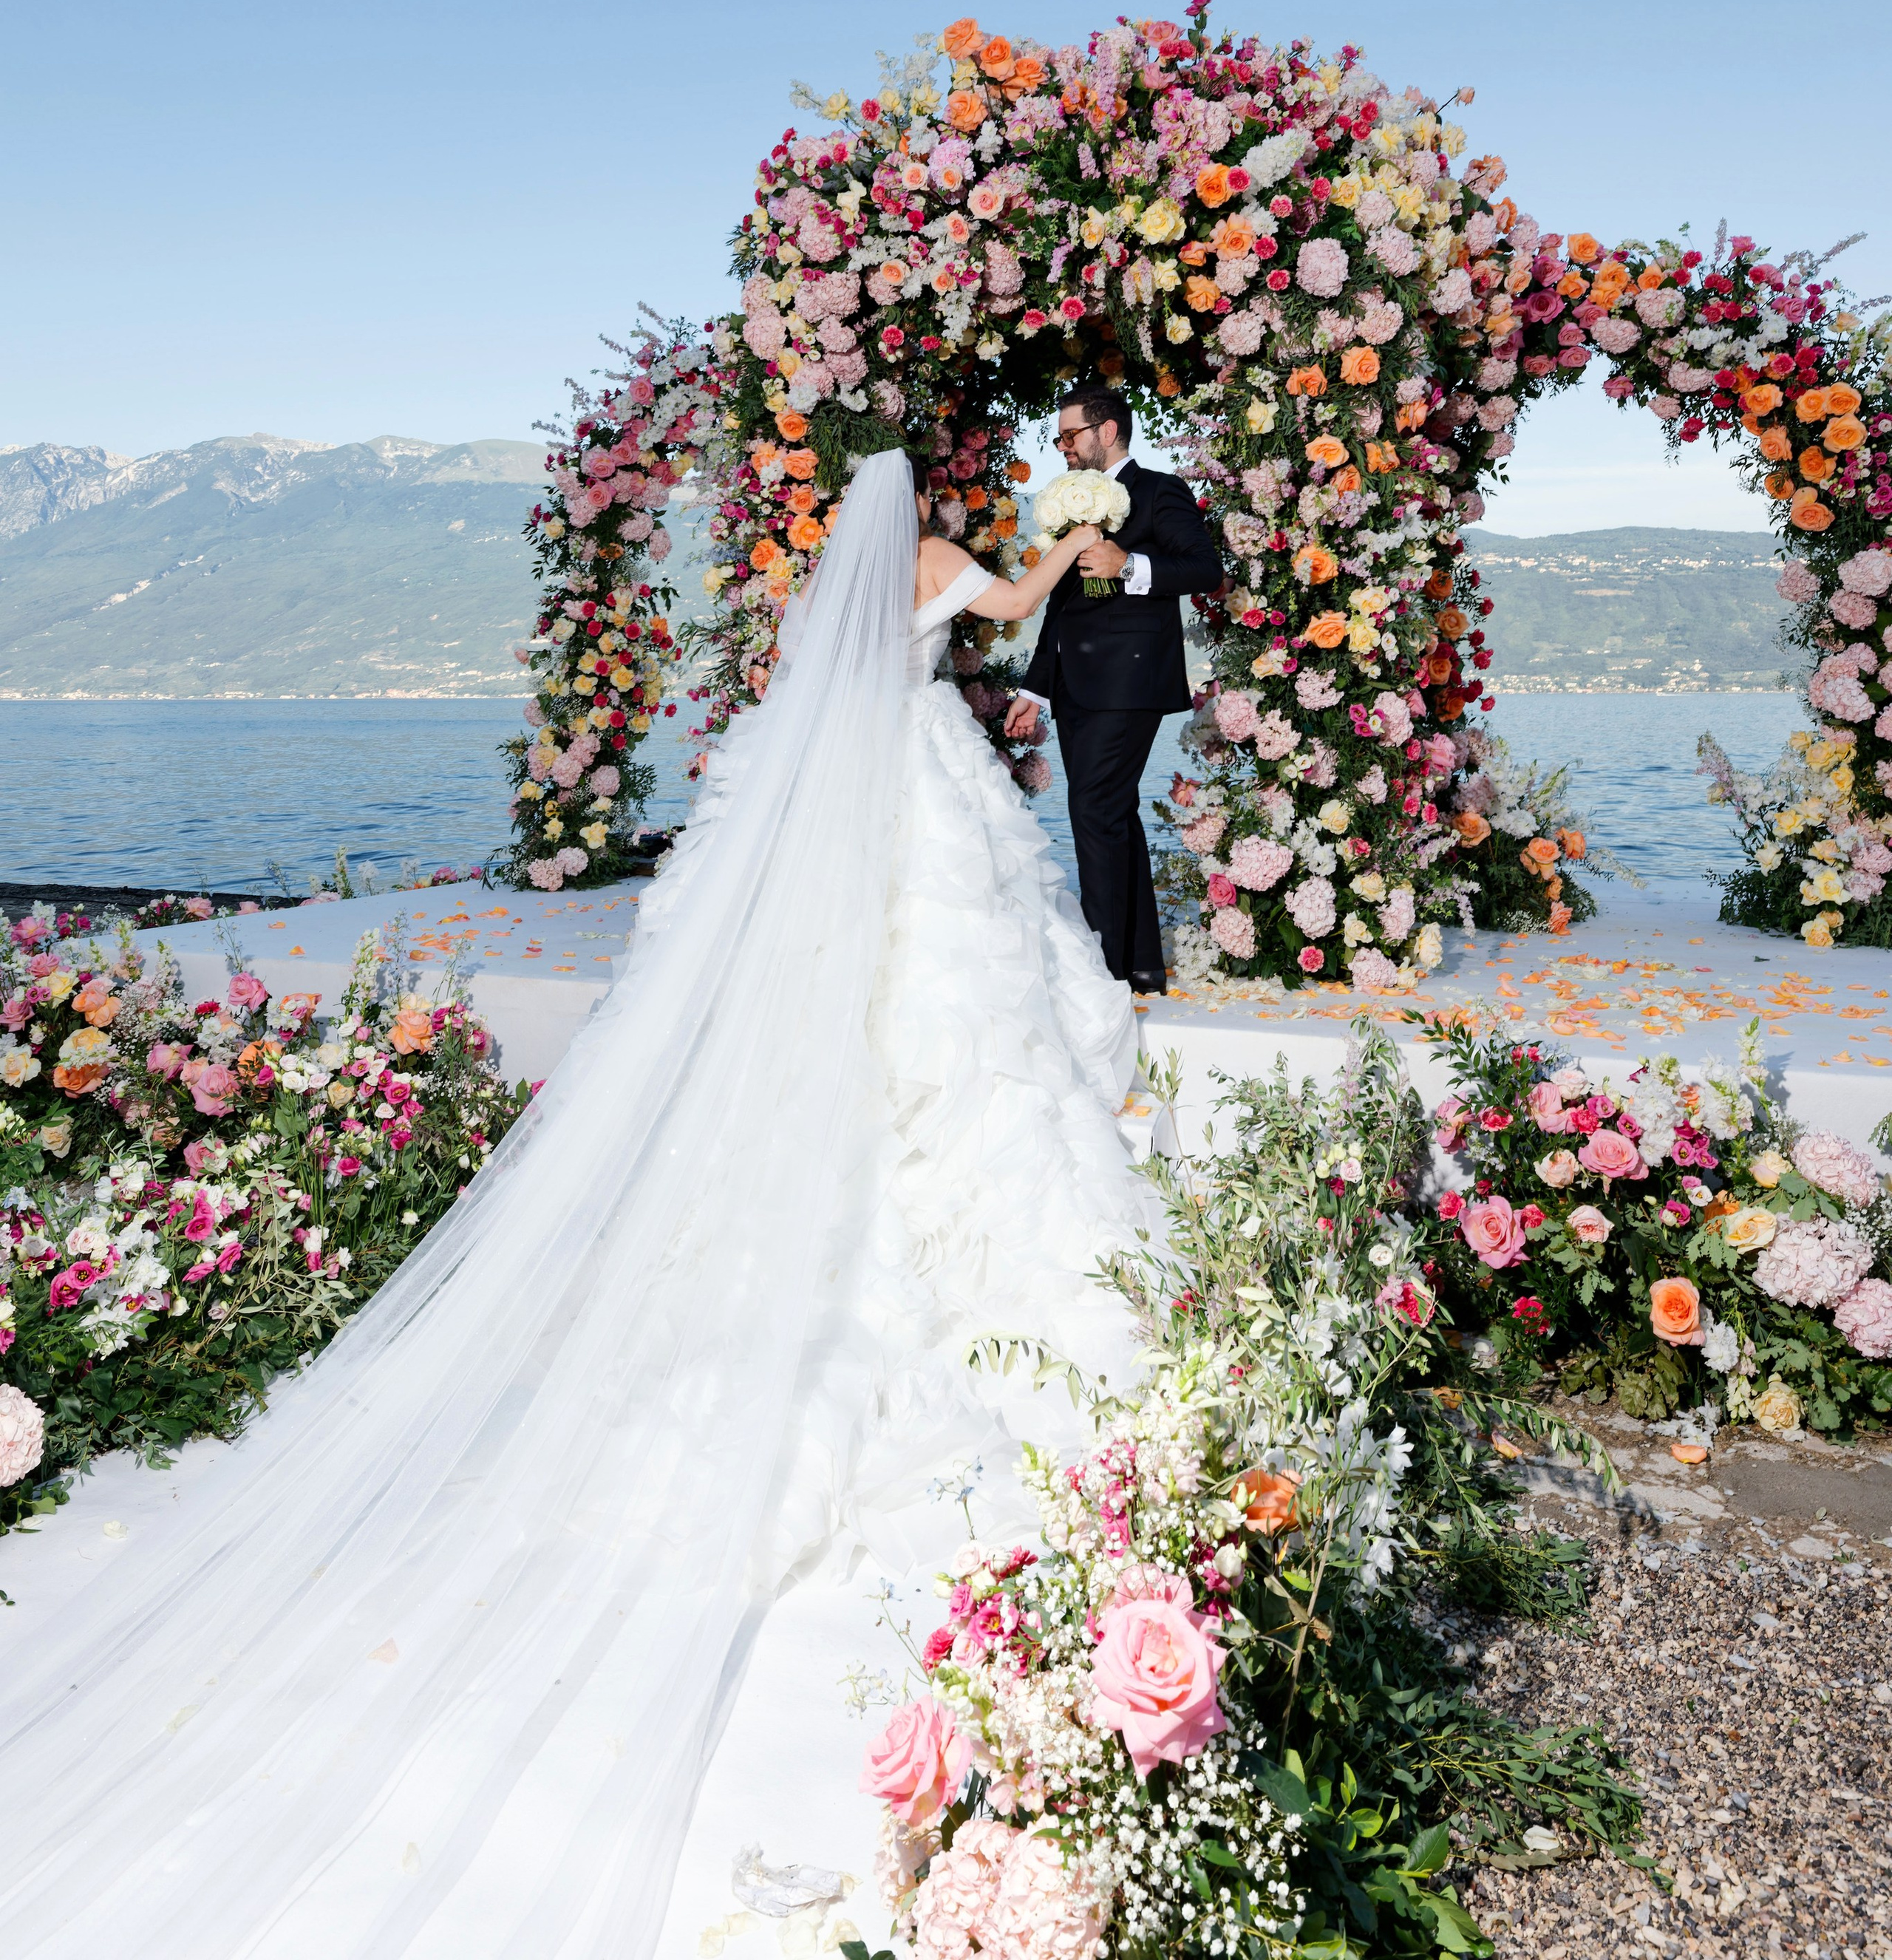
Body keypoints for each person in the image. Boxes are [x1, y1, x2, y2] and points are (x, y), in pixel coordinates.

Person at [0, 450, 1153, 1960]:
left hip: (860, 790)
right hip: (922, 793)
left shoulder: (835, 588)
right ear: (924, 501)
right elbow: (1002, 601)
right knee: (952, 1007)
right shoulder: (939, 562)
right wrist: (1066, 550)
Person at [1004, 385, 1222, 996]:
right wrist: (1036, 690)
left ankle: (1103, 975)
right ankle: (1140, 964)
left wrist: (1129, 566)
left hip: (1129, 682)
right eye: (1057, 439)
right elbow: (1062, 607)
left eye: (1069, 436)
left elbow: (1205, 568)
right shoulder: (1071, 510)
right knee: (1112, 815)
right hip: (1074, 685)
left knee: (1093, 810)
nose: (1062, 449)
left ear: (1106, 431)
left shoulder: (1160, 490)